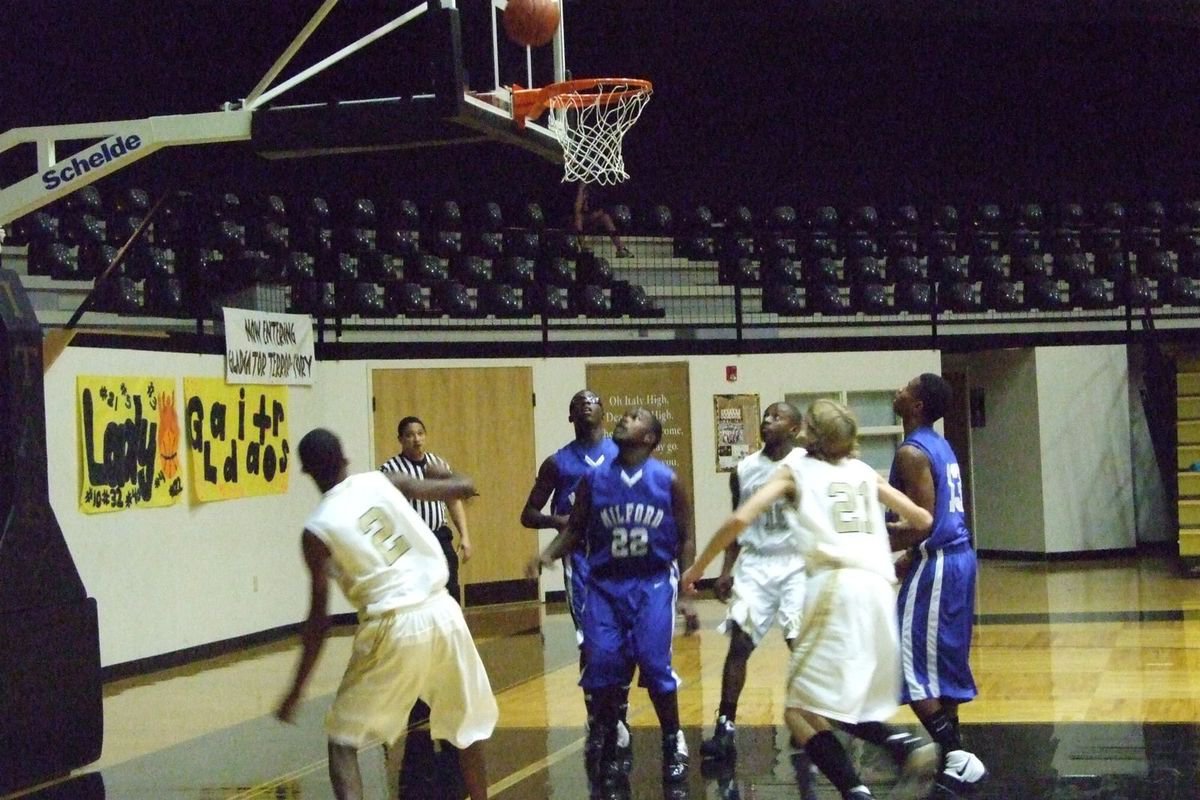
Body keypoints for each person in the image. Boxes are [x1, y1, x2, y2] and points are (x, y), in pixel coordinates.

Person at [682, 399, 938, 800]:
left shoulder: (796, 469)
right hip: (879, 590)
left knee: (801, 708)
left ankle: (895, 752)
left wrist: (697, 569)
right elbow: (923, 520)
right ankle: (870, 773)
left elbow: (736, 520)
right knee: (829, 698)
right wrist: (870, 536)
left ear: (808, 433)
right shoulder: (863, 471)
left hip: (835, 586)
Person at [275, 428, 497, 800]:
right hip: (443, 611)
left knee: (343, 742)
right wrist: (448, 476)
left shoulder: (316, 531)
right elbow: (464, 486)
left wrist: (296, 690)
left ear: (307, 472)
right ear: (345, 458)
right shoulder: (382, 480)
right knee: (468, 729)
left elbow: (318, 622)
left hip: (392, 624)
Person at [527, 407, 696, 789]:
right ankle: (611, 734)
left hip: (651, 583)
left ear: (650, 437)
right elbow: (575, 530)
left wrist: (686, 587)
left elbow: (685, 536)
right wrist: (548, 554)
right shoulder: (593, 479)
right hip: (604, 585)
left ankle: (673, 739)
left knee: (654, 666)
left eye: (635, 417)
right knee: (600, 664)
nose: (625, 418)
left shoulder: (667, 480)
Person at [519, 390, 633, 767]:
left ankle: (619, 710)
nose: (587, 403)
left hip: (620, 555)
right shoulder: (558, 462)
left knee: (624, 640)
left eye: (594, 399)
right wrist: (558, 521)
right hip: (581, 560)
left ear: (605, 410)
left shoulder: (623, 453)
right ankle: (597, 716)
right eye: (579, 402)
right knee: (590, 640)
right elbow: (528, 514)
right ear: (570, 415)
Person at [889, 374, 988, 797]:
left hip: (940, 562)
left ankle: (957, 753)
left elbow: (924, 522)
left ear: (918, 406)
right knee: (943, 668)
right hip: (956, 560)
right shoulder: (940, 443)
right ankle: (953, 760)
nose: (899, 390)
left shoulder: (912, 451)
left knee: (904, 661)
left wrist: (872, 544)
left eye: (907, 388)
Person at [700, 401, 808, 762]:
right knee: (739, 644)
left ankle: (808, 721)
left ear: (794, 429)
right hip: (756, 564)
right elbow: (738, 521)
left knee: (800, 643)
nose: (767, 420)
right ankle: (725, 725)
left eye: (777, 417)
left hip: (797, 563)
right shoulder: (744, 469)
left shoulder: (807, 466)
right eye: (766, 415)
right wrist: (726, 568)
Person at [380, 416, 471, 605]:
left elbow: (453, 501)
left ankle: (452, 629)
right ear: (400, 440)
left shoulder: (437, 464)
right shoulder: (390, 469)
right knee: (417, 590)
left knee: (450, 586)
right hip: (411, 540)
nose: (416, 439)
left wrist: (465, 535)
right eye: (410, 435)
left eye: (420, 434)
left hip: (440, 536)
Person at [573, 182, 633, 258]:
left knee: (605, 217)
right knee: (578, 217)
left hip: (590, 222)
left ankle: (620, 248)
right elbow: (577, 210)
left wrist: (596, 214)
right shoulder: (577, 190)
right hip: (575, 223)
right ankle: (582, 246)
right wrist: (580, 190)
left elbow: (602, 208)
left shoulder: (594, 189)